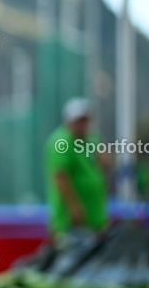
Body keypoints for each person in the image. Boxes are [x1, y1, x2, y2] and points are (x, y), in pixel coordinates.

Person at [44, 97, 109, 242]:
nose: (83, 124)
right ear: (69, 120)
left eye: (86, 120)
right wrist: (74, 206)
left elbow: (103, 163)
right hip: (72, 220)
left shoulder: (91, 138)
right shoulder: (61, 141)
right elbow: (59, 176)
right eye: (79, 120)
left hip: (94, 216)